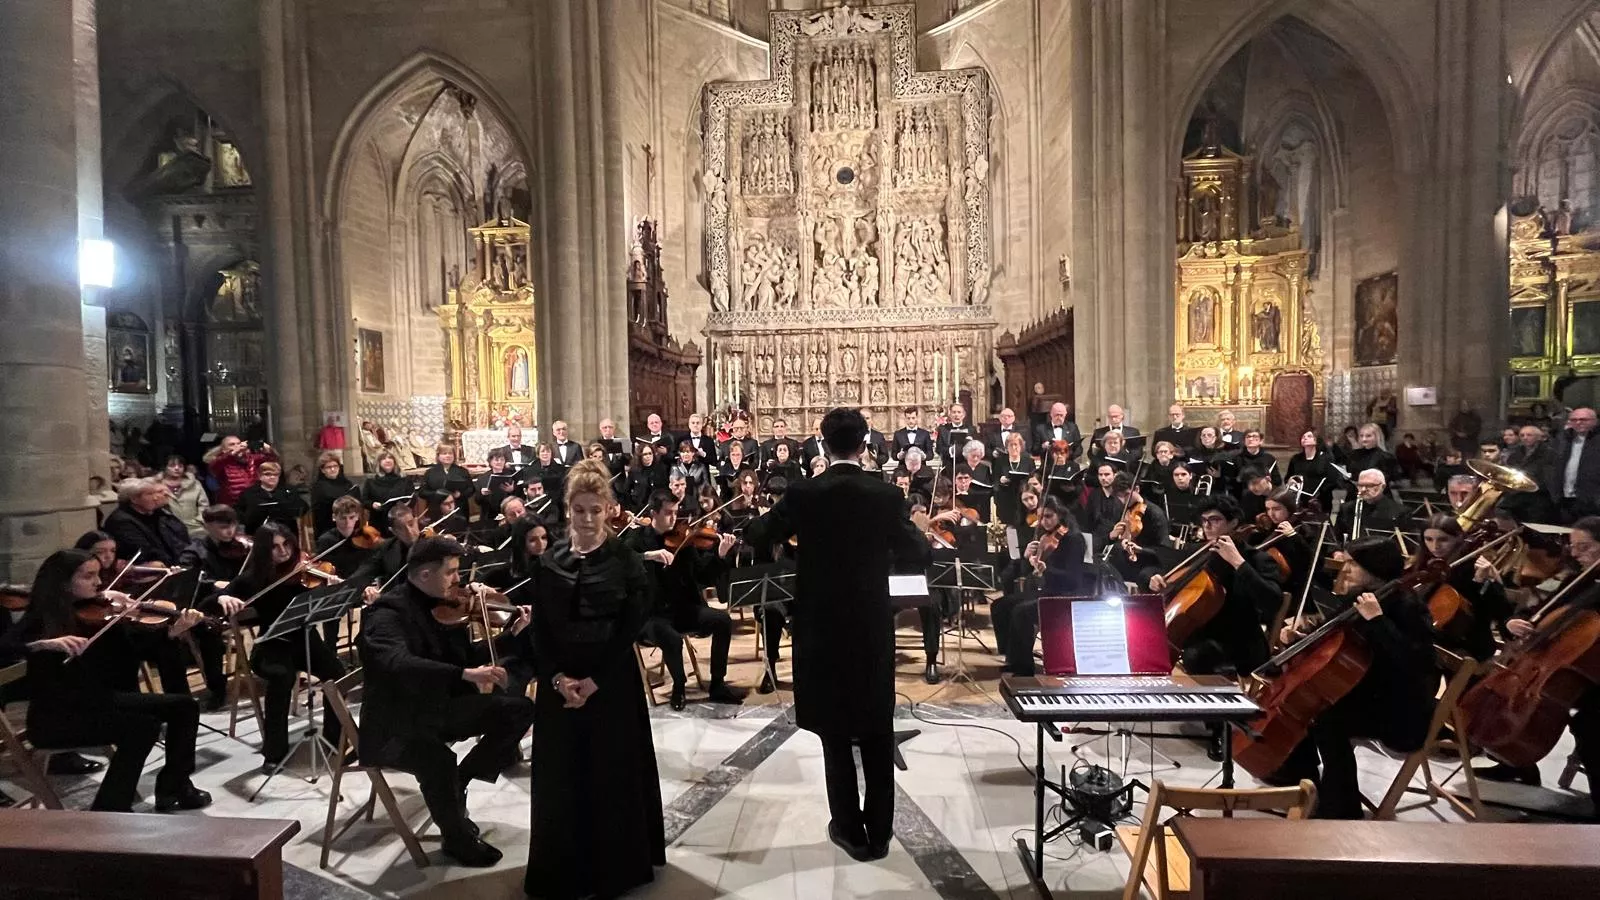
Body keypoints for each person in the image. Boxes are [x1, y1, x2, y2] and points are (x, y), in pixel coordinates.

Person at [746, 407, 931, 862]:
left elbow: (760, 531)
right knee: (874, 725)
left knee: (833, 730)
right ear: (864, 444)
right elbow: (919, 551)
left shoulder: (805, 493)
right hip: (869, 623)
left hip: (822, 626)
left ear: (824, 445)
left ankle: (848, 828)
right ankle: (881, 832)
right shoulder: (884, 495)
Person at [524, 458, 664, 897]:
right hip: (559, 686)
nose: (586, 519)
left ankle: (613, 869)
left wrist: (595, 680)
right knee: (562, 779)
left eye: (595, 510)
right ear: (568, 509)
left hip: (611, 683)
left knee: (611, 775)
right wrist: (558, 678)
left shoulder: (626, 561)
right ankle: (565, 869)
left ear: (609, 509)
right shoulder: (549, 561)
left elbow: (630, 629)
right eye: (579, 510)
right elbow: (542, 628)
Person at [358, 535, 536, 867]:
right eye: (452, 572)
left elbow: (468, 659)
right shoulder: (386, 613)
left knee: (518, 710)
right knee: (436, 760)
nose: (459, 580)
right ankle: (456, 839)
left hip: (436, 709)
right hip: (394, 725)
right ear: (425, 574)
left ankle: (464, 779)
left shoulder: (445, 607)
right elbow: (396, 663)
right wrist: (464, 675)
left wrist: (512, 633)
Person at [4, 550, 212, 813]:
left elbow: (134, 651)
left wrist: (170, 634)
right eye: (88, 576)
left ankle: (173, 787)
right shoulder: (42, 617)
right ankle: (111, 809)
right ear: (63, 582)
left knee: (184, 706)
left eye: (99, 575)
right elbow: (6, 648)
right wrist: (41, 644)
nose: (99, 583)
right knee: (142, 727)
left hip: (100, 701)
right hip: (58, 716)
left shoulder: (101, 613)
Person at [1274, 537, 1435, 818]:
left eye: (1353, 564)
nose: (1344, 569)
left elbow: (1415, 663)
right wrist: (1300, 636)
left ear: (1375, 570)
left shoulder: (1407, 605)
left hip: (1398, 707)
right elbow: (1330, 633)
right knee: (1310, 704)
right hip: (1365, 691)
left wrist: (1378, 621)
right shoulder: (1358, 596)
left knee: (1325, 718)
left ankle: (1342, 807)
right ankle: (1302, 778)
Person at [216, 522, 345, 768]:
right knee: (282, 678)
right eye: (275, 547)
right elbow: (216, 597)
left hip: (306, 640)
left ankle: (335, 739)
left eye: (287, 544)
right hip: (272, 645)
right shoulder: (252, 578)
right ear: (264, 550)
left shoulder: (304, 573)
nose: (284, 551)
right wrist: (224, 596)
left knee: (336, 674)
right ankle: (274, 753)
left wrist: (334, 588)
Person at [625, 490, 746, 709]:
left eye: (676, 512)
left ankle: (717, 684)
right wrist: (648, 556)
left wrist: (720, 554)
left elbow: (702, 576)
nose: (674, 518)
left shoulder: (685, 540)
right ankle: (679, 686)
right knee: (671, 637)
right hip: (652, 615)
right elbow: (621, 560)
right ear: (654, 513)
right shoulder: (637, 538)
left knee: (723, 621)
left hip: (683, 609)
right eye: (669, 513)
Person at [1146, 495, 1281, 678]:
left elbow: (1272, 601)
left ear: (1233, 522)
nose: (1207, 526)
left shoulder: (1256, 558)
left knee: (1196, 656)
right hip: (1197, 634)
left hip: (1238, 642)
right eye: (1204, 520)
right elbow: (1157, 570)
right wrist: (1153, 579)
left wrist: (1238, 562)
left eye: (1215, 520)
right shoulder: (1197, 551)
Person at [991, 498, 1089, 676]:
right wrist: (1026, 557)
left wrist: (1047, 570)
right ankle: (1013, 657)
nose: (1044, 521)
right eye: (1041, 517)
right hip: (1048, 591)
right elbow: (1028, 571)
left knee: (1021, 612)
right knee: (1000, 606)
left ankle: (1024, 668)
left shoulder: (1073, 539)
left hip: (1066, 596)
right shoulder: (1045, 537)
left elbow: (1073, 579)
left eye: (1049, 516)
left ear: (1060, 515)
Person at [1409, 514, 1510, 662]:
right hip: (1435, 637)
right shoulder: (1427, 564)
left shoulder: (1475, 566)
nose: (1435, 546)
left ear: (1458, 537)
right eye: (1428, 539)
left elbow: (1496, 610)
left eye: (1443, 539)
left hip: (1467, 643)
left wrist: (1478, 581)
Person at [1545, 407, 1600, 522]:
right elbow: (1550, 466)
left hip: (1592, 501)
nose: (1578, 422)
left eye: (1584, 420)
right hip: (1564, 499)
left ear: (1595, 421)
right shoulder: (1562, 439)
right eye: (1574, 420)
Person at [236, 461, 309, 534]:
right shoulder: (249, 493)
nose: (272, 477)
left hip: (285, 534)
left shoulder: (289, 491)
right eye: (268, 474)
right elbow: (239, 515)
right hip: (257, 534)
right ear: (259, 476)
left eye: (276, 474)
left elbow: (303, 508)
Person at [1334, 468, 1406, 541]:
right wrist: (1337, 551)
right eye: (1360, 485)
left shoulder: (1400, 512)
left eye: (1369, 485)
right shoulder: (1346, 508)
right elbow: (1335, 538)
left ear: (1383, 486)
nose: (1363, 489)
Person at [205, 434, 276, 507]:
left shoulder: (252, 459)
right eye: (232, 444)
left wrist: (266, 448)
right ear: (224, 450)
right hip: (232, 505)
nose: (237, 446)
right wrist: (235, 451)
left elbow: (272, 460)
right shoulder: (219, 463)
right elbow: (218, 463)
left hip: (253, 503)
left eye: (239, 443)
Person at [362, 451, 415, 536]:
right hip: (379, 520)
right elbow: (364, 500)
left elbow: (412, 497)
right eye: (383, 458)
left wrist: (406, 504)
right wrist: (372, 504)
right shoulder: (371, 481)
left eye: (390, 458)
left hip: (401, 520)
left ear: (395, 461)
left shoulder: (404, 480)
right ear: (378, 463)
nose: (387, 460)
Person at [309, 452, 359, 538]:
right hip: (328, 528)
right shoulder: (318, 487)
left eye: (335, 466)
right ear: (322, 470)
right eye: (329, 467)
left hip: (350, 527)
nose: (333, 469)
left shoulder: (347, 484)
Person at [158, 455, 209, 537]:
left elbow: (204, 505)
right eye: (172, 466)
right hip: (168, 530)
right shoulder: (156, 485)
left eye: (180, 466)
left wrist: (199, 520)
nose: (177, 468)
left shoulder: (195, 483)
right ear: (165, 467)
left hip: (195, 528)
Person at [422, 443, 474, 508]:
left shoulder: (463, 471)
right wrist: (436, 493)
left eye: (450, 453)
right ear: (438, 456)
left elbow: (471, 489)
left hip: (459, 507)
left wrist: (460, 495)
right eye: (444, 453)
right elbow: (422, 492)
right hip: (436, 507)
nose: (448, 456)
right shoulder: (430, 472)